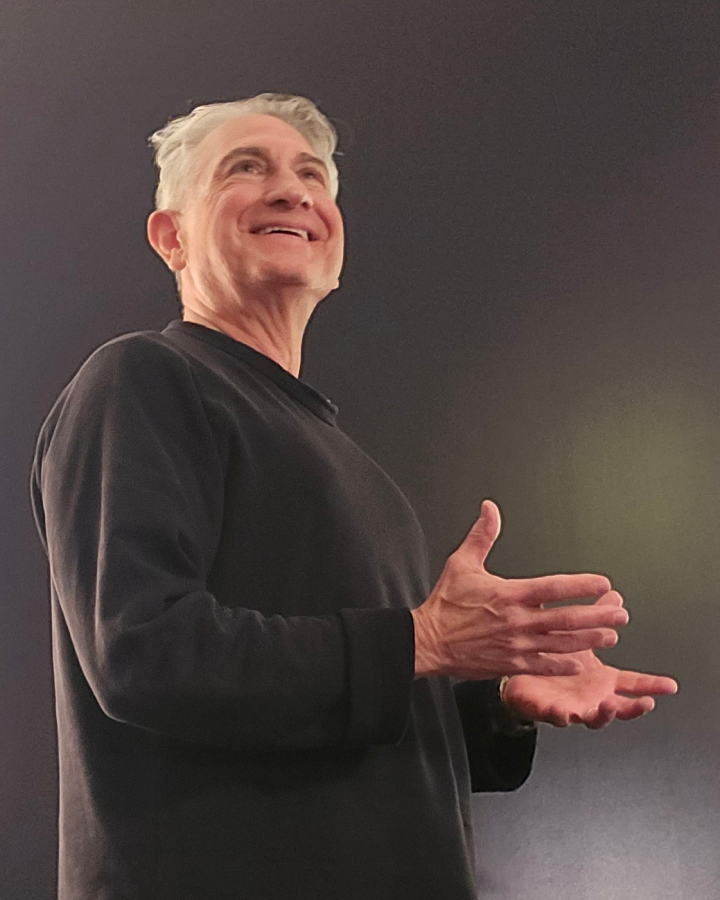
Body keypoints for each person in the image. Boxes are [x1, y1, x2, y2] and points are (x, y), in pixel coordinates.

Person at [30, 92, 677, 900]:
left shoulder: (348, 462)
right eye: (246, 168)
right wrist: (422, 643)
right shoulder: (142, 381)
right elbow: (145, 656)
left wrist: (496, 703)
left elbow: (354, 721)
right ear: (172, 238)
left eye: (312, 175)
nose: (294, 190)